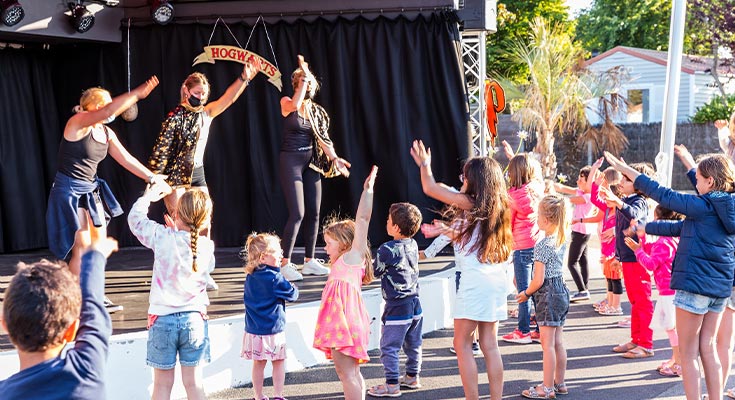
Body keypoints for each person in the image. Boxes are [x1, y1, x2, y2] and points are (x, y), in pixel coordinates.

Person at [605, 150, 735, 400]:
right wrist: (646, 227)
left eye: (697, 179)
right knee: (707, 348)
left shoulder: (702, 206)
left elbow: (664, 194)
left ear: (710, 181)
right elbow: (681, 227)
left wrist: (632, 172)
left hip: (695, 285)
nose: (695, 183)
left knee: (687, 353)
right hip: (719, 289)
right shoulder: (723, 209)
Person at [46, 76, 166, 312]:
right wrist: (137, 94)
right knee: (82, 244)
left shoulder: (106, 133)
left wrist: (152, 177)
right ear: (90, 108)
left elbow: (127, 159)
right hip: (69, 190)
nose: (108, 111)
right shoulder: (77, 123)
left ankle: (87, 294)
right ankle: (80, 297)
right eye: (102, 107)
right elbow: (110, 110)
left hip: (91, 189)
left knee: (97, 244)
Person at [410, 140, 512, 400]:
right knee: (490, 344)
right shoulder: (498, 206)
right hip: (495, 280)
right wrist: (443, 230)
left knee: (462, 343)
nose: (462, 179)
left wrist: (424, 166)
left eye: (465, 176)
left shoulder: (470, 203)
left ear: (475, 180)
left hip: (475, 282)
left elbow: (430, 187)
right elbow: (466, 236)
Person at [148, 61, 260, 290]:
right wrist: (157, 180)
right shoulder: (174, 117)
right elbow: (161, 151)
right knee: (181, 223)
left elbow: (227, 99)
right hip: (175, 176)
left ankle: (203, 269)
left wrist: (244, 78)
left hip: (197, 172)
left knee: (204, 221)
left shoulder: (206, 114)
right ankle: (179, 270)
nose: (201, 97)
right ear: (186, 90)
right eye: (197, 93)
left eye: (204, 94)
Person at [0, 223, 117, 399]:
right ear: (72, 330)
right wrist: (95, 256)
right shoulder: (85, 373)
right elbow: (93, 310)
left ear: (5, 325)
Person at [128, 184, 215, 400]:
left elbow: (135, 220)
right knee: (194, 384)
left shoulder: (161, 237)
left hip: (162, 320)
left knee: (162, 386)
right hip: (194, 320)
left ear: (175, 214)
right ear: (205, 220)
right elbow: (191, 252)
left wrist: (147, 197)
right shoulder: (206, 247)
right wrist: (177, 230)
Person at [278, 55, 352, 281]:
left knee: (314, 212)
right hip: (291, 160)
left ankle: (309, 261)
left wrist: (335, 159)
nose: (308, 86)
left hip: (312, 163)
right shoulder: (286, 102)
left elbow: (323, 139)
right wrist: (303, 76)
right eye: (304, 83)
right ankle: (284, 264)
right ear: (297, 84)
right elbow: (294, 104)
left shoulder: (316, 112)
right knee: (297, 213)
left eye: (310, 83)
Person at [313, 166, 377, 400]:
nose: (325, 248)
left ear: (344, 243)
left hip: (345, 324)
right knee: (349, 372)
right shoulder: (343, 263)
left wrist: (367, 192)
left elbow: (362, 219)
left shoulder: (352, 258)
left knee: (347, 372)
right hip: (342, 323)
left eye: (329, 243)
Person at [598, 161, 655, 359]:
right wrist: (617, 256)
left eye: (626, 178)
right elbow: (623, 230)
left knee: (642, 301)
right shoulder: (629, 200)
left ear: (638, 185)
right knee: (634, 300)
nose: (621, 181)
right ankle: (636, 339)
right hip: (629, 258)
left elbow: (634, 216)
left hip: (638, 259)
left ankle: (645, 343)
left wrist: (618, 202)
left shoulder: (638, 201)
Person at [367, 202, 424, 397]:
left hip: (397, 306)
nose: (386, 222)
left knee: (388, 346)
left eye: (388, 220)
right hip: (415, 303)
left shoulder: (387, 249)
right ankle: (412, 376)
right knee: (413, 343)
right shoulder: (413, 244)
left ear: (396, 228)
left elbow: (374, 272)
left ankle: (392, 385)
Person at [518, 194, 571, 399]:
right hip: (561, 291)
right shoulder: (561, 238)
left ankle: (546, 388)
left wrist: (526, 293)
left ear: (547, 220)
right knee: (558, 341)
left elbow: (538, 280)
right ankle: (560, 382)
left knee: (546, 344)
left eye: (538, 215)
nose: (536, 218)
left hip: (547, 293)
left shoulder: (542, 245)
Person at [624, 205, 682, 377]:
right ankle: (675, 358)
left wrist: (637, 251)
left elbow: (650, 264)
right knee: (672, 328)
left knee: (672, 328)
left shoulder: (664, 242)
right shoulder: (673, 239)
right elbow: (655, 254)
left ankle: (678, 363)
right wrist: (643, 243)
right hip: (673, 290)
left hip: (668, 291)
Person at [240, 233, 299, 400]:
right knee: (278, 362)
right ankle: (278, 395)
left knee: (258, 363)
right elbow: (293, 294)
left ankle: (258, 395)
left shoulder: (251, 276)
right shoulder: (275, 278)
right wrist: (293, 286)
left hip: (254, 330)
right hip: (273, 330)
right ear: (264, 256)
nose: (281, 254)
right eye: (277, 251)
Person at [502, 153, 544, 344]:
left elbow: (508, 223)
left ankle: (523, 330)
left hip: (521, 246)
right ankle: (540, 328)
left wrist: (505, 243)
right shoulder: (537, 189)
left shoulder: (512, 195)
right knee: (534, 288)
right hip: (536, 244)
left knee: (522, 290)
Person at [553, 166, 597, 302]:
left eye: (581, 180)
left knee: (571, 263)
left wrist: (553, 195)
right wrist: (552, 185)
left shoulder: (588, 197)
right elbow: (564, 189)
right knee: (583, 261)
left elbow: (568, 199)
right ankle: (584, 289)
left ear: (589, 181)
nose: (577, 181)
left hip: (581, 232)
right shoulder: (580, 192)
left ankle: (582, 290)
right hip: (582, 231)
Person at [588, 159, 624, 316]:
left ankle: (616, 306)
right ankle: (610, 303)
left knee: (615, 279)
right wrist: (596, 183)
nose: (605, 199)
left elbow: (630, 227)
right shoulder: (607, 208)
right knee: (609, 278)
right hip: (606, 249)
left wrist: (615, 231)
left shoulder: (621, 212)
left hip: (615, 251)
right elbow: (594, 198)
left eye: (608, 196)